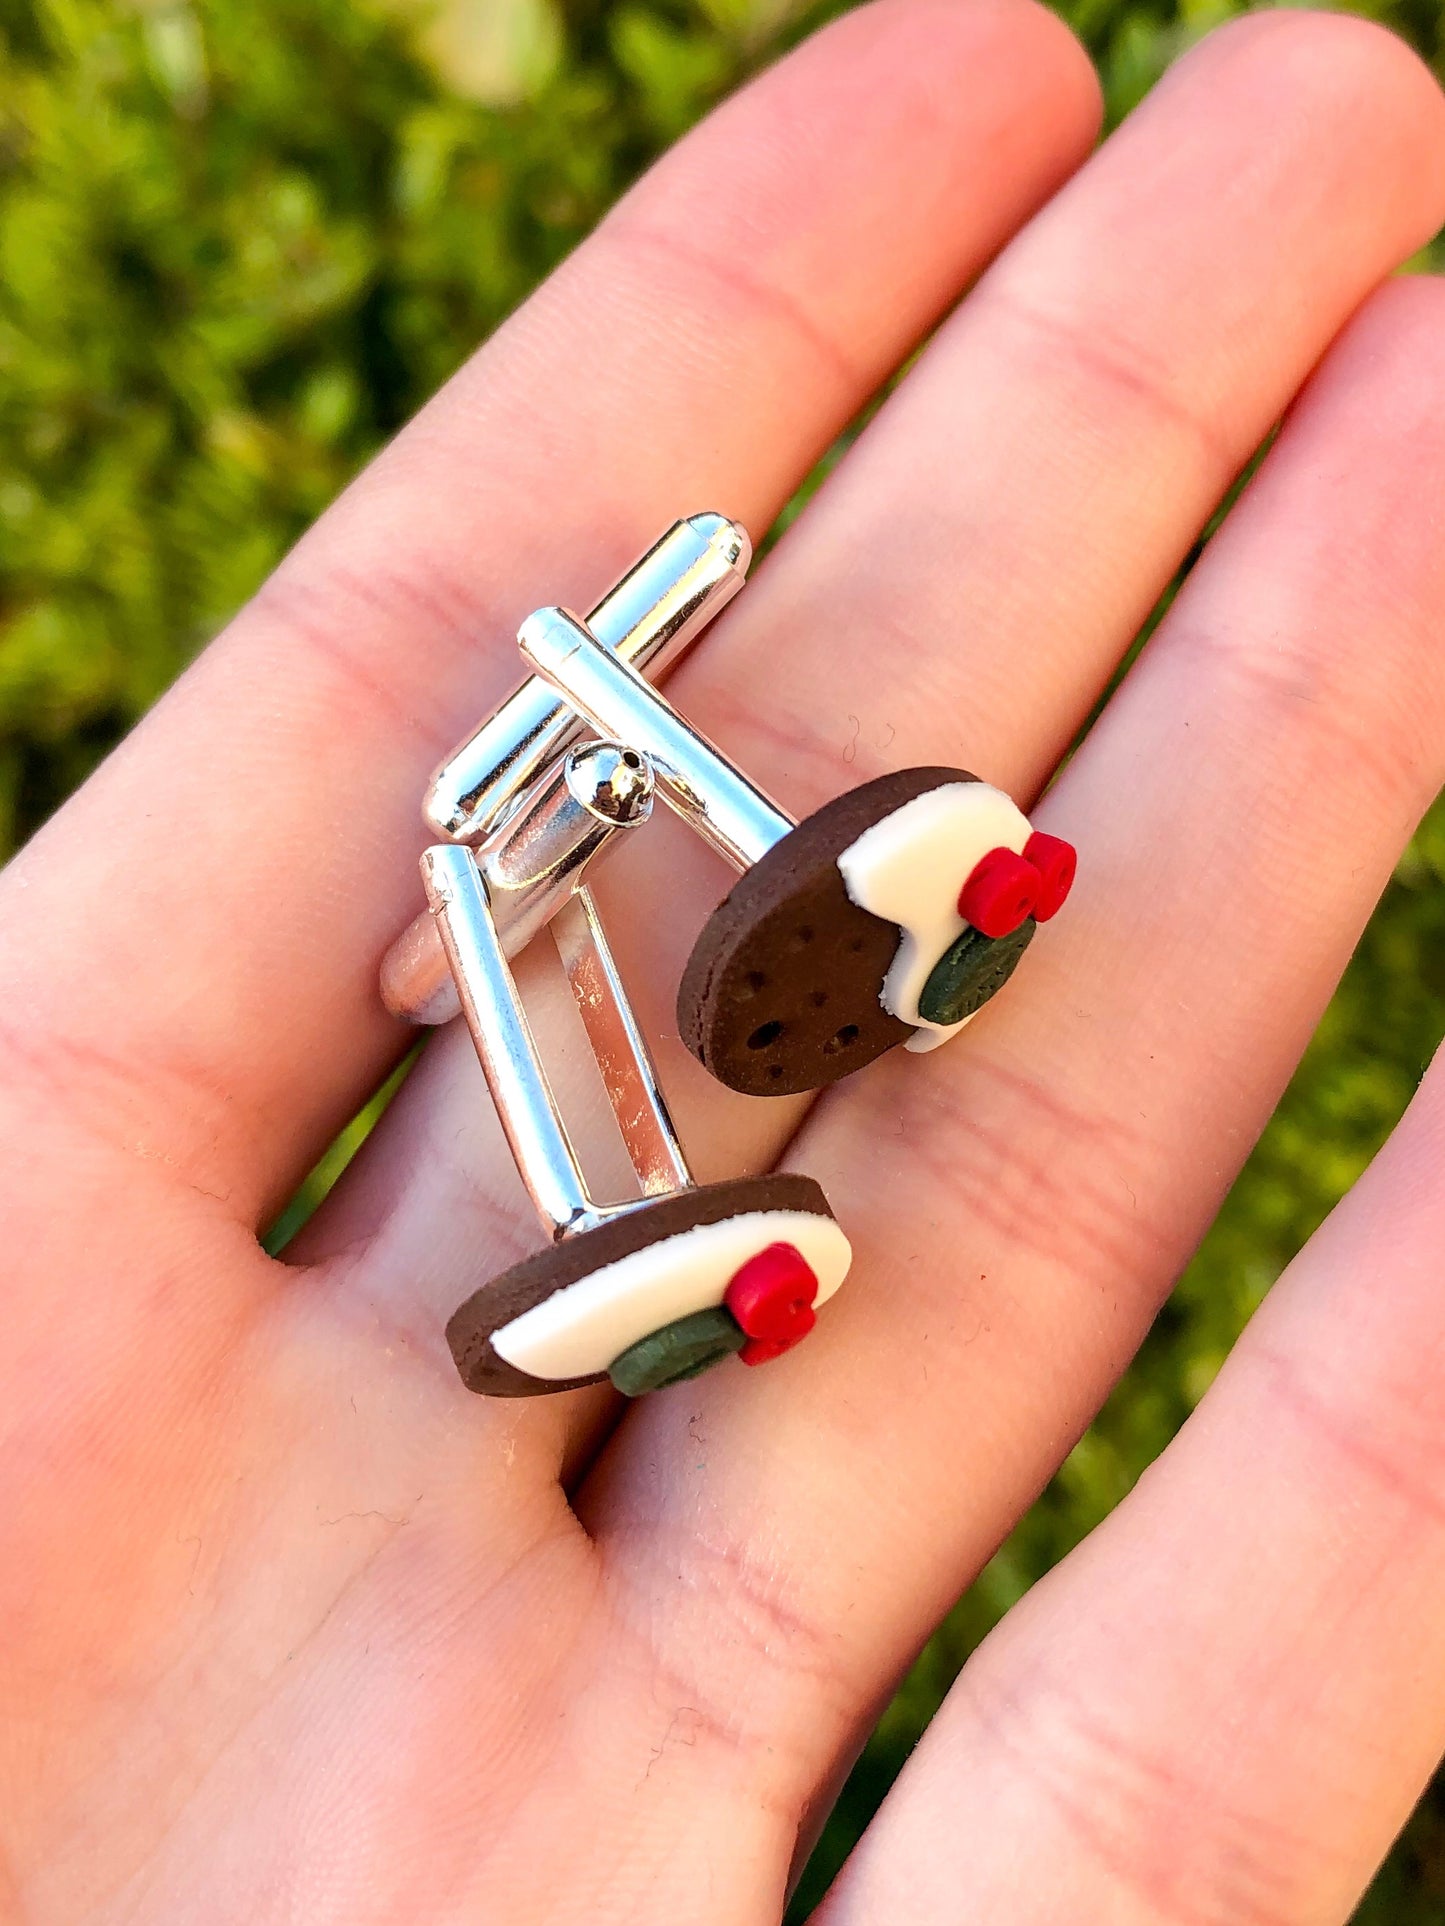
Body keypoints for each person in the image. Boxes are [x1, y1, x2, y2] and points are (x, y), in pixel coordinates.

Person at [3, 2, 1445, 1918]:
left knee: (512, 868)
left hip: (620, 829)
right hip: (541, 863)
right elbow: (492, 863)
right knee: (479, 865)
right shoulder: (493, 865)